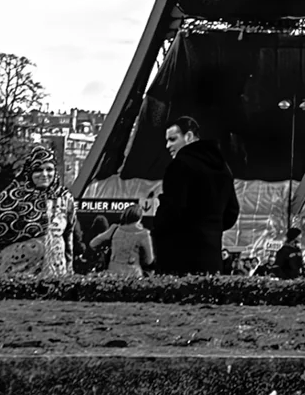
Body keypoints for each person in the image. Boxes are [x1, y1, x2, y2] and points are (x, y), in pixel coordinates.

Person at [150, 113, 239, 275]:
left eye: (173, 139)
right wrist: (210, 227)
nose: (167, 146)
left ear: (189, 136)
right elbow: (232, 212)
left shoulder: (180, 165)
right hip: (211, 257)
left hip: (179, 257)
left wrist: (158, 230)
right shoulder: (223, 169)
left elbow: (171, 211)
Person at [0, 144, 72, 277]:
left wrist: (69, 271)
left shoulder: (64, 198)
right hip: (15, 271)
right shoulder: (11, 197)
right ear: (29, 172)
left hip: (55, 271)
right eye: (38, 170)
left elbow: (69, 236)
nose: (45, 174)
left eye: (49, 169)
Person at [86, 201, 155, 278]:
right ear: (140, 218)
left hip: (113, 273)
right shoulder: (144, 234)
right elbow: (149, 260)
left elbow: (93, 243)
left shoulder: (115, 229)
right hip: (134, 275)